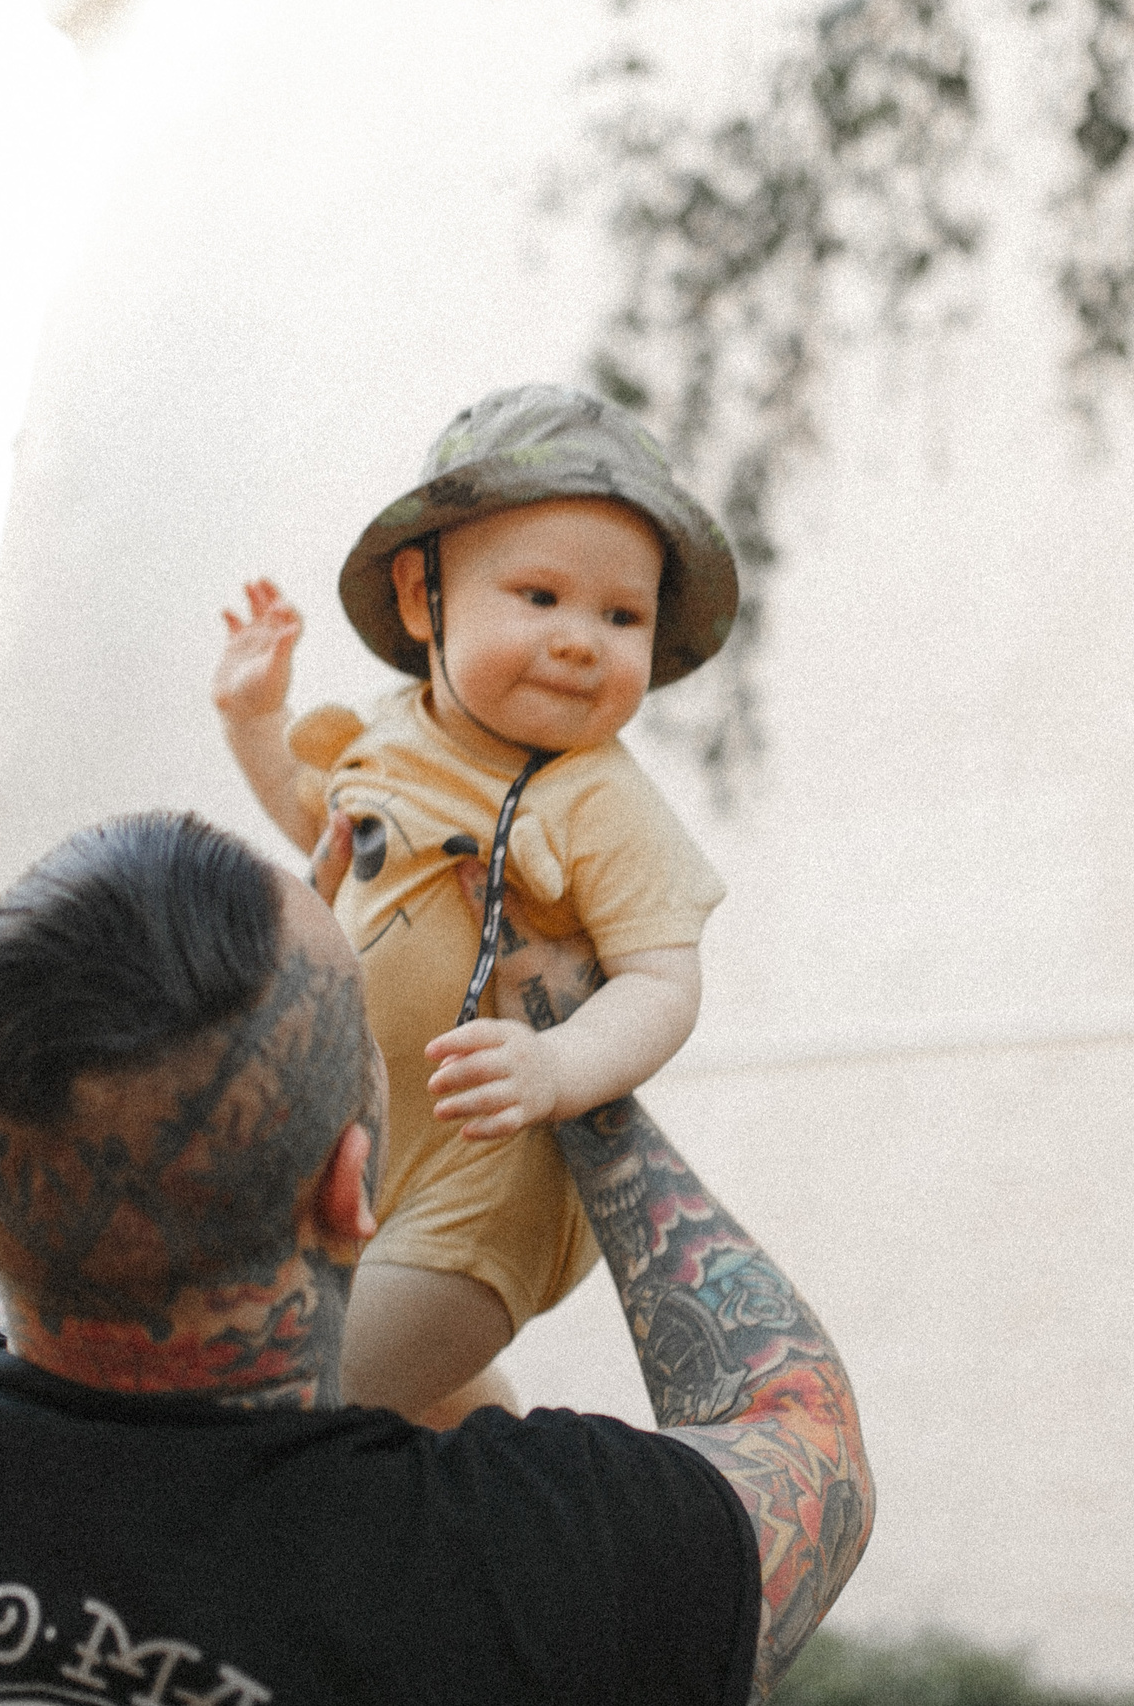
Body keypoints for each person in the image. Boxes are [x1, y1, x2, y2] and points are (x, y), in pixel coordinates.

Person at [0, 811, 869, 1705]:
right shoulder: (492, 1573)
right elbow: (807, 1434)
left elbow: (48, 1200)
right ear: (352, 1190)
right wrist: (574, 1061)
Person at [212, 383, 742, 1423]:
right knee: (427, 1406)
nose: (581, 638)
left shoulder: (596, 797)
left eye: (620, 614)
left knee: (302, 1397)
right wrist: (253, 720)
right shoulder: (388, 733)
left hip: (485, 1181)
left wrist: (556, 1064)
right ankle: (490, 1480)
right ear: (422, 598)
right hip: (355, 1155)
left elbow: (663, 979)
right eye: (539, 596)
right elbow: (317, 823)